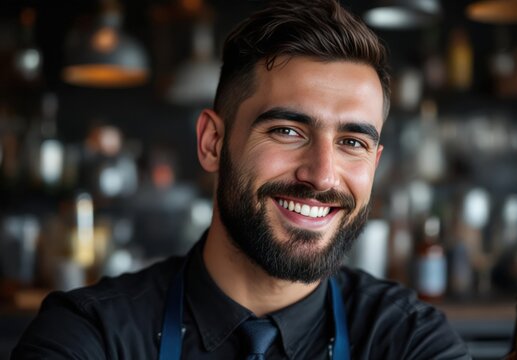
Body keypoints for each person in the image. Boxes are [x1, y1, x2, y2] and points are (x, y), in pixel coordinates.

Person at [12, 0, 470, 359]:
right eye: (288, 131)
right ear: (212, 142)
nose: (322, 175)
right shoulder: (92, 335)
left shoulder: (409, 340)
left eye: (353, 142)